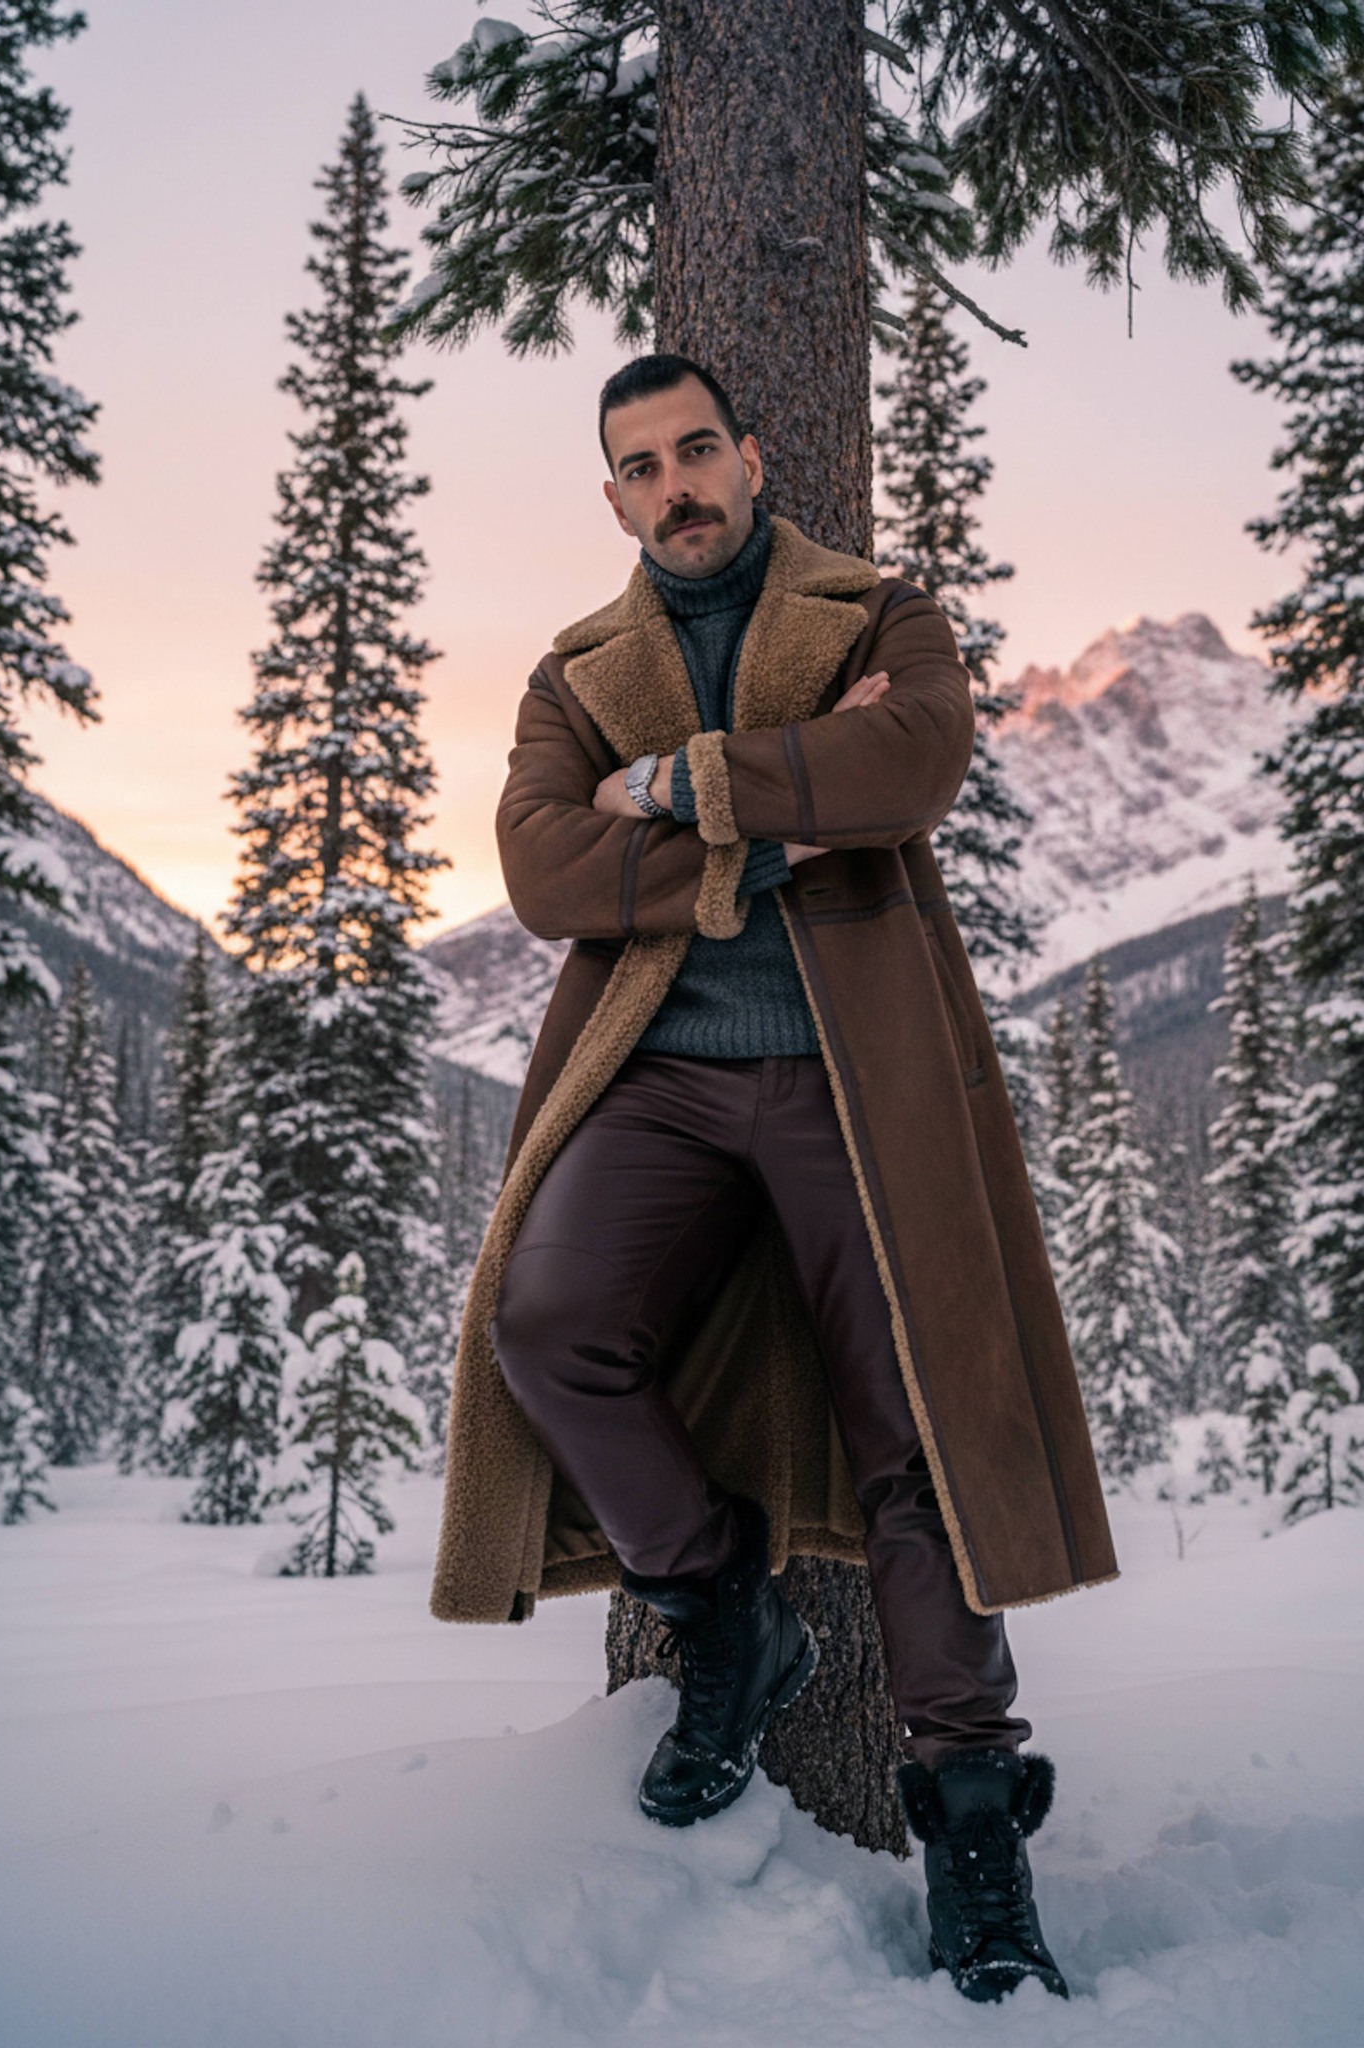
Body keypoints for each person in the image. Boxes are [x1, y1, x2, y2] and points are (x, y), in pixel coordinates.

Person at [429, 351, 1119, 2005]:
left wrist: (676, 791)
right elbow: (540, 867)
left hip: (850, 1078)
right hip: (656, 1077)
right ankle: (721, 1606)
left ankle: (971, 1820)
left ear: (751, 452)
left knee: (919, 1437)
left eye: (696, 452)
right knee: (549, 1324)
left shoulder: (882, 613)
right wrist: (784, 817)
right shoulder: (576, 669)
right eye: (641, 468)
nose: (676, 486)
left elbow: (919, 766)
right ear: (614, 499)